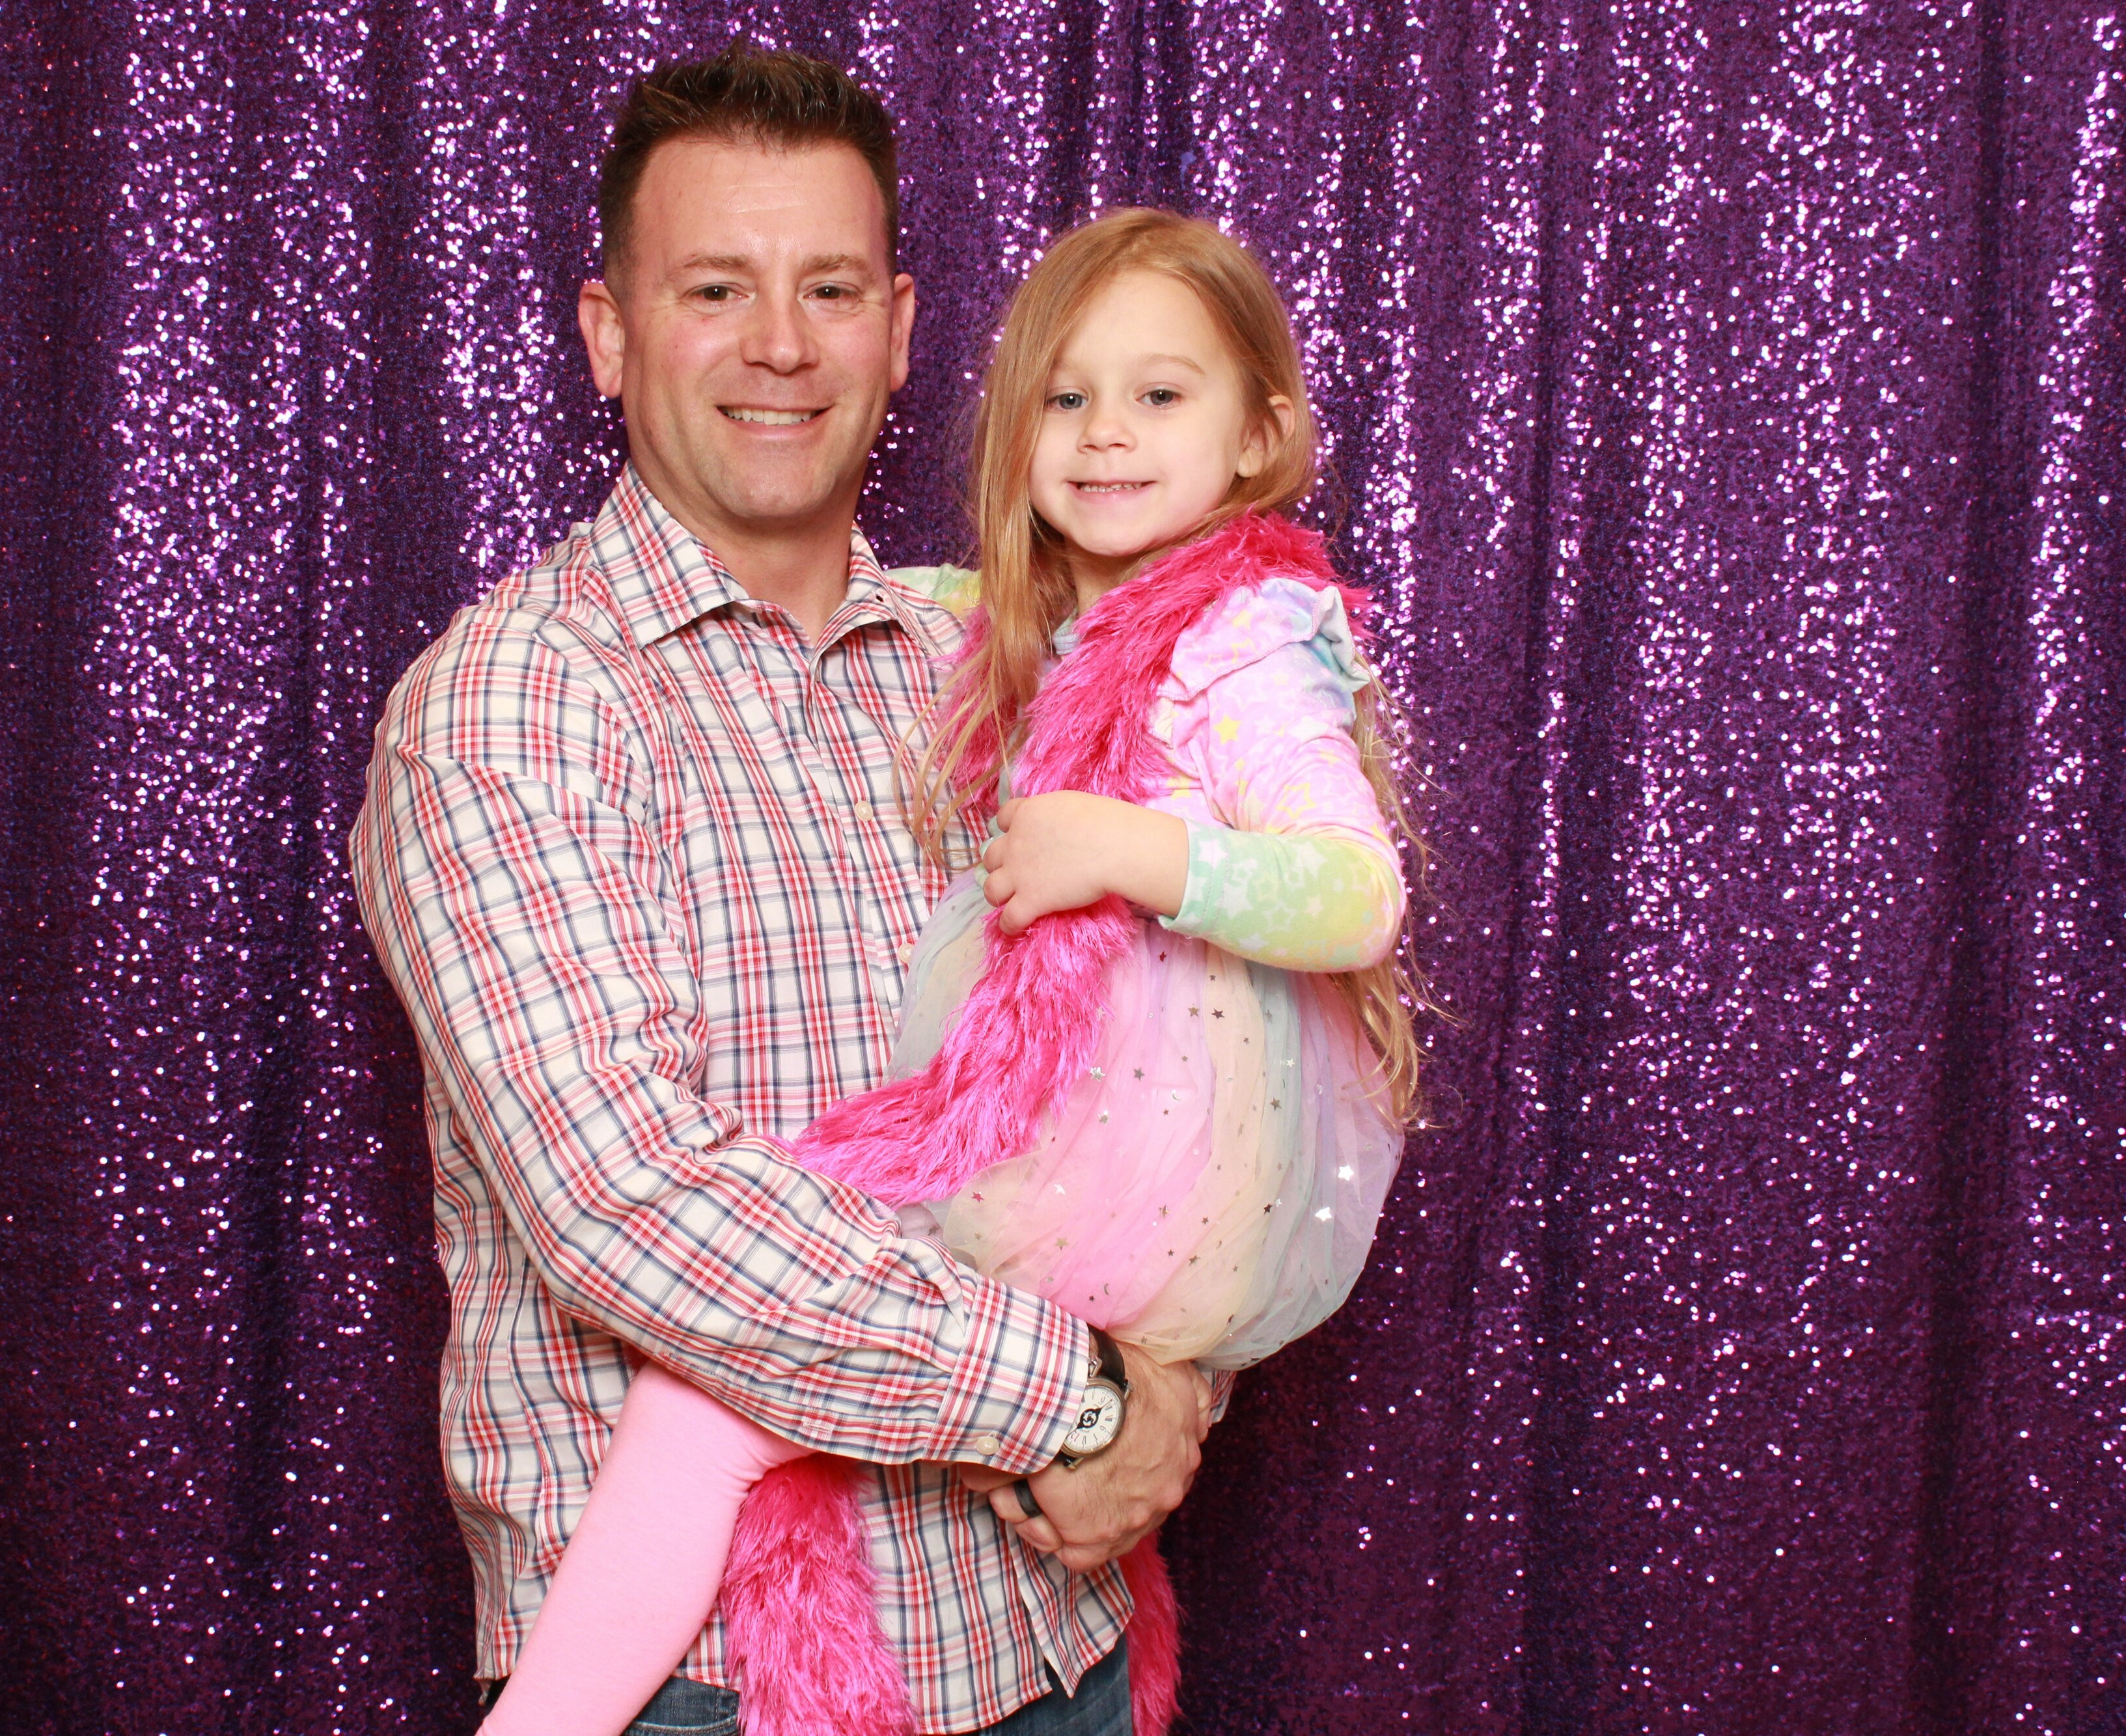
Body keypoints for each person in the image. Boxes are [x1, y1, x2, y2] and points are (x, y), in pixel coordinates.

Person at [348, 48, 1214, 1736]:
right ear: (609, 333)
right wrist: (1078, 1400)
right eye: (714, 290)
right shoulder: (512, 702)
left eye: (827, 289)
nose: (781, 346)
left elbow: (1160, 1070)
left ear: (896, 328)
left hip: (1057, 1637)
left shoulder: (999, 669)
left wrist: (1173, 1379)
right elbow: (629, 1197)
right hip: (711, 1682)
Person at [481, 208, 1423, 1736]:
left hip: (1105, 1140)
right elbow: (925, 598)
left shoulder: (1247, 637)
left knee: (704, 1397)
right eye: (1066, 396)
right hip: (1060, 1115)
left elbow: (1356, 891)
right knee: (725, 1402)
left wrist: (1129, 849)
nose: (1104, 433)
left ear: (1258, 436)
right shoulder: (1046, 616)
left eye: (1158, 394)